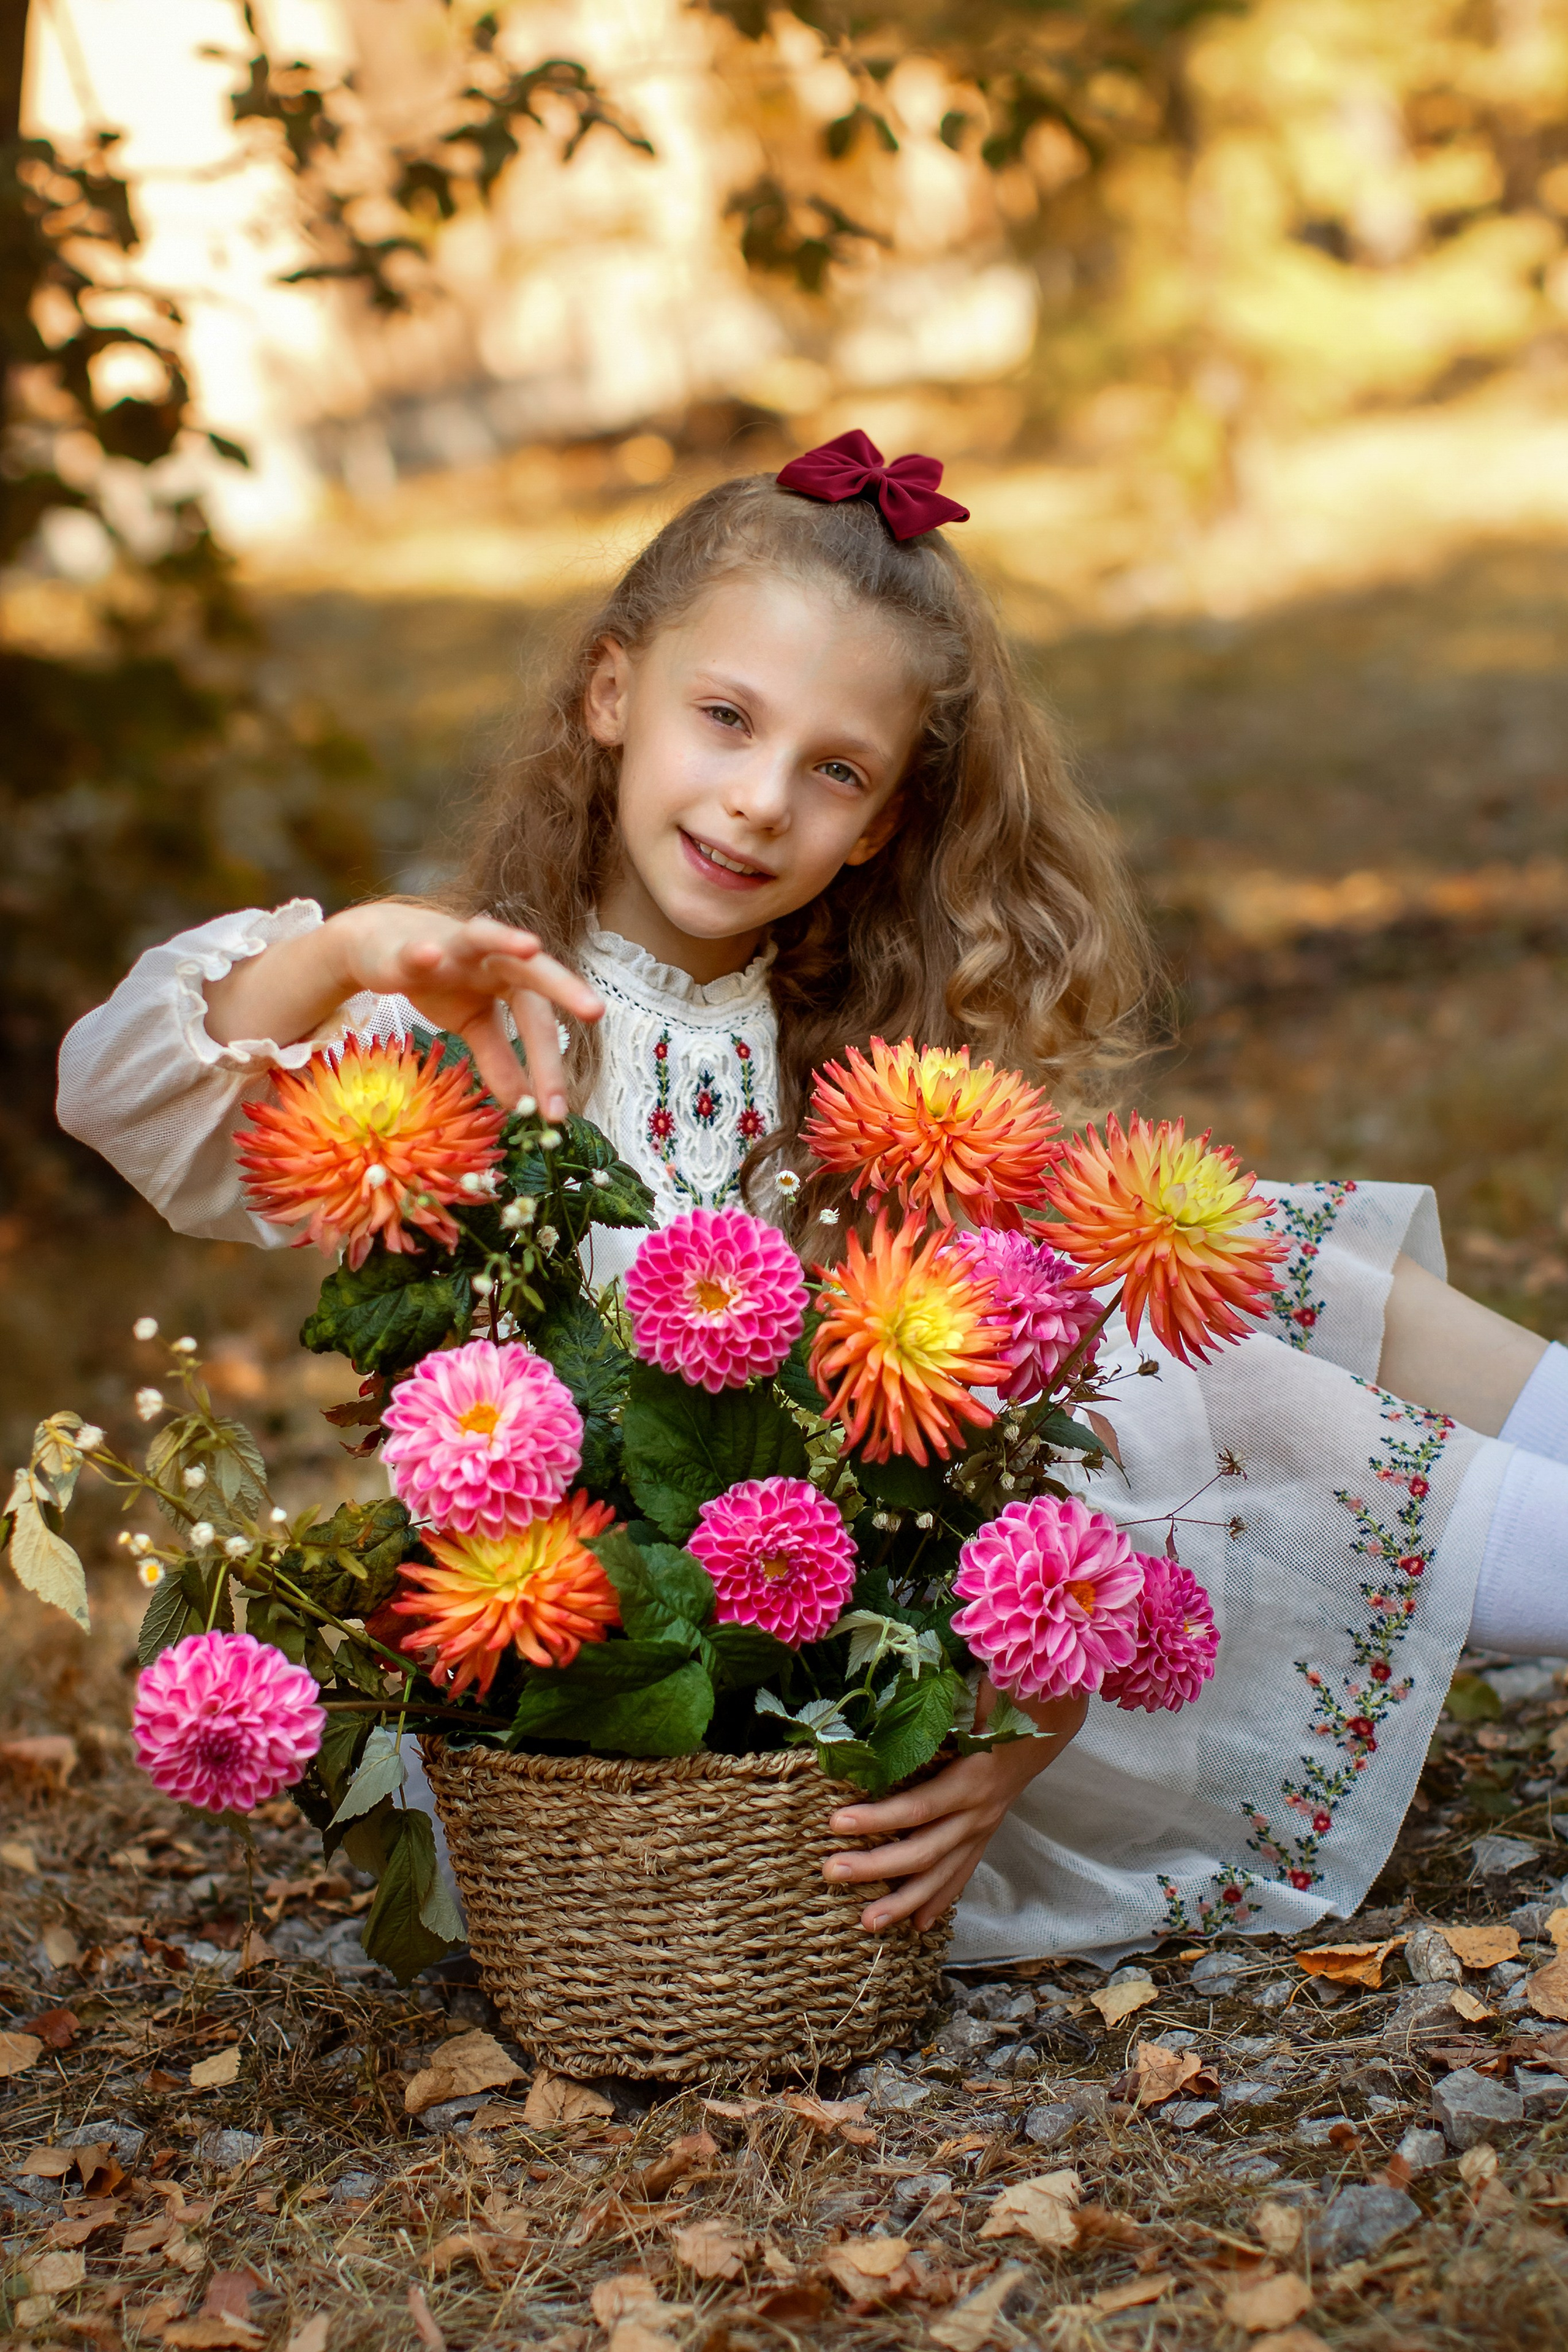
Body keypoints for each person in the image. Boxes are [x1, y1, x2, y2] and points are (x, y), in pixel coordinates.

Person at [56, 434, 1568, 1967]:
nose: (757, 801)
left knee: (1223, 1259)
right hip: (653, 1683)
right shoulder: (473, 1004)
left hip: (898, 1592)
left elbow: (991, 1441)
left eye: (832, 768)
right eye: (724, 719)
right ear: (608, 696)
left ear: (884, 821)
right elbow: (119, 1096)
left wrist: (1025, 1725)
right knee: (1202, 1371)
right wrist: (360, 951)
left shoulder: (842, 1037)